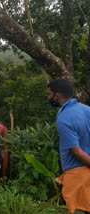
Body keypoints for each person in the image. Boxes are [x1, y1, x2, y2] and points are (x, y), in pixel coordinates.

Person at [47, 79, 90, 214]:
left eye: (49, 94)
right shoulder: (87, 109)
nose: (48, 97)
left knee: (78, 210)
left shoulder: (64, 118)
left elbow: (76, 151)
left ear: (57, 95)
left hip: (78, 174)